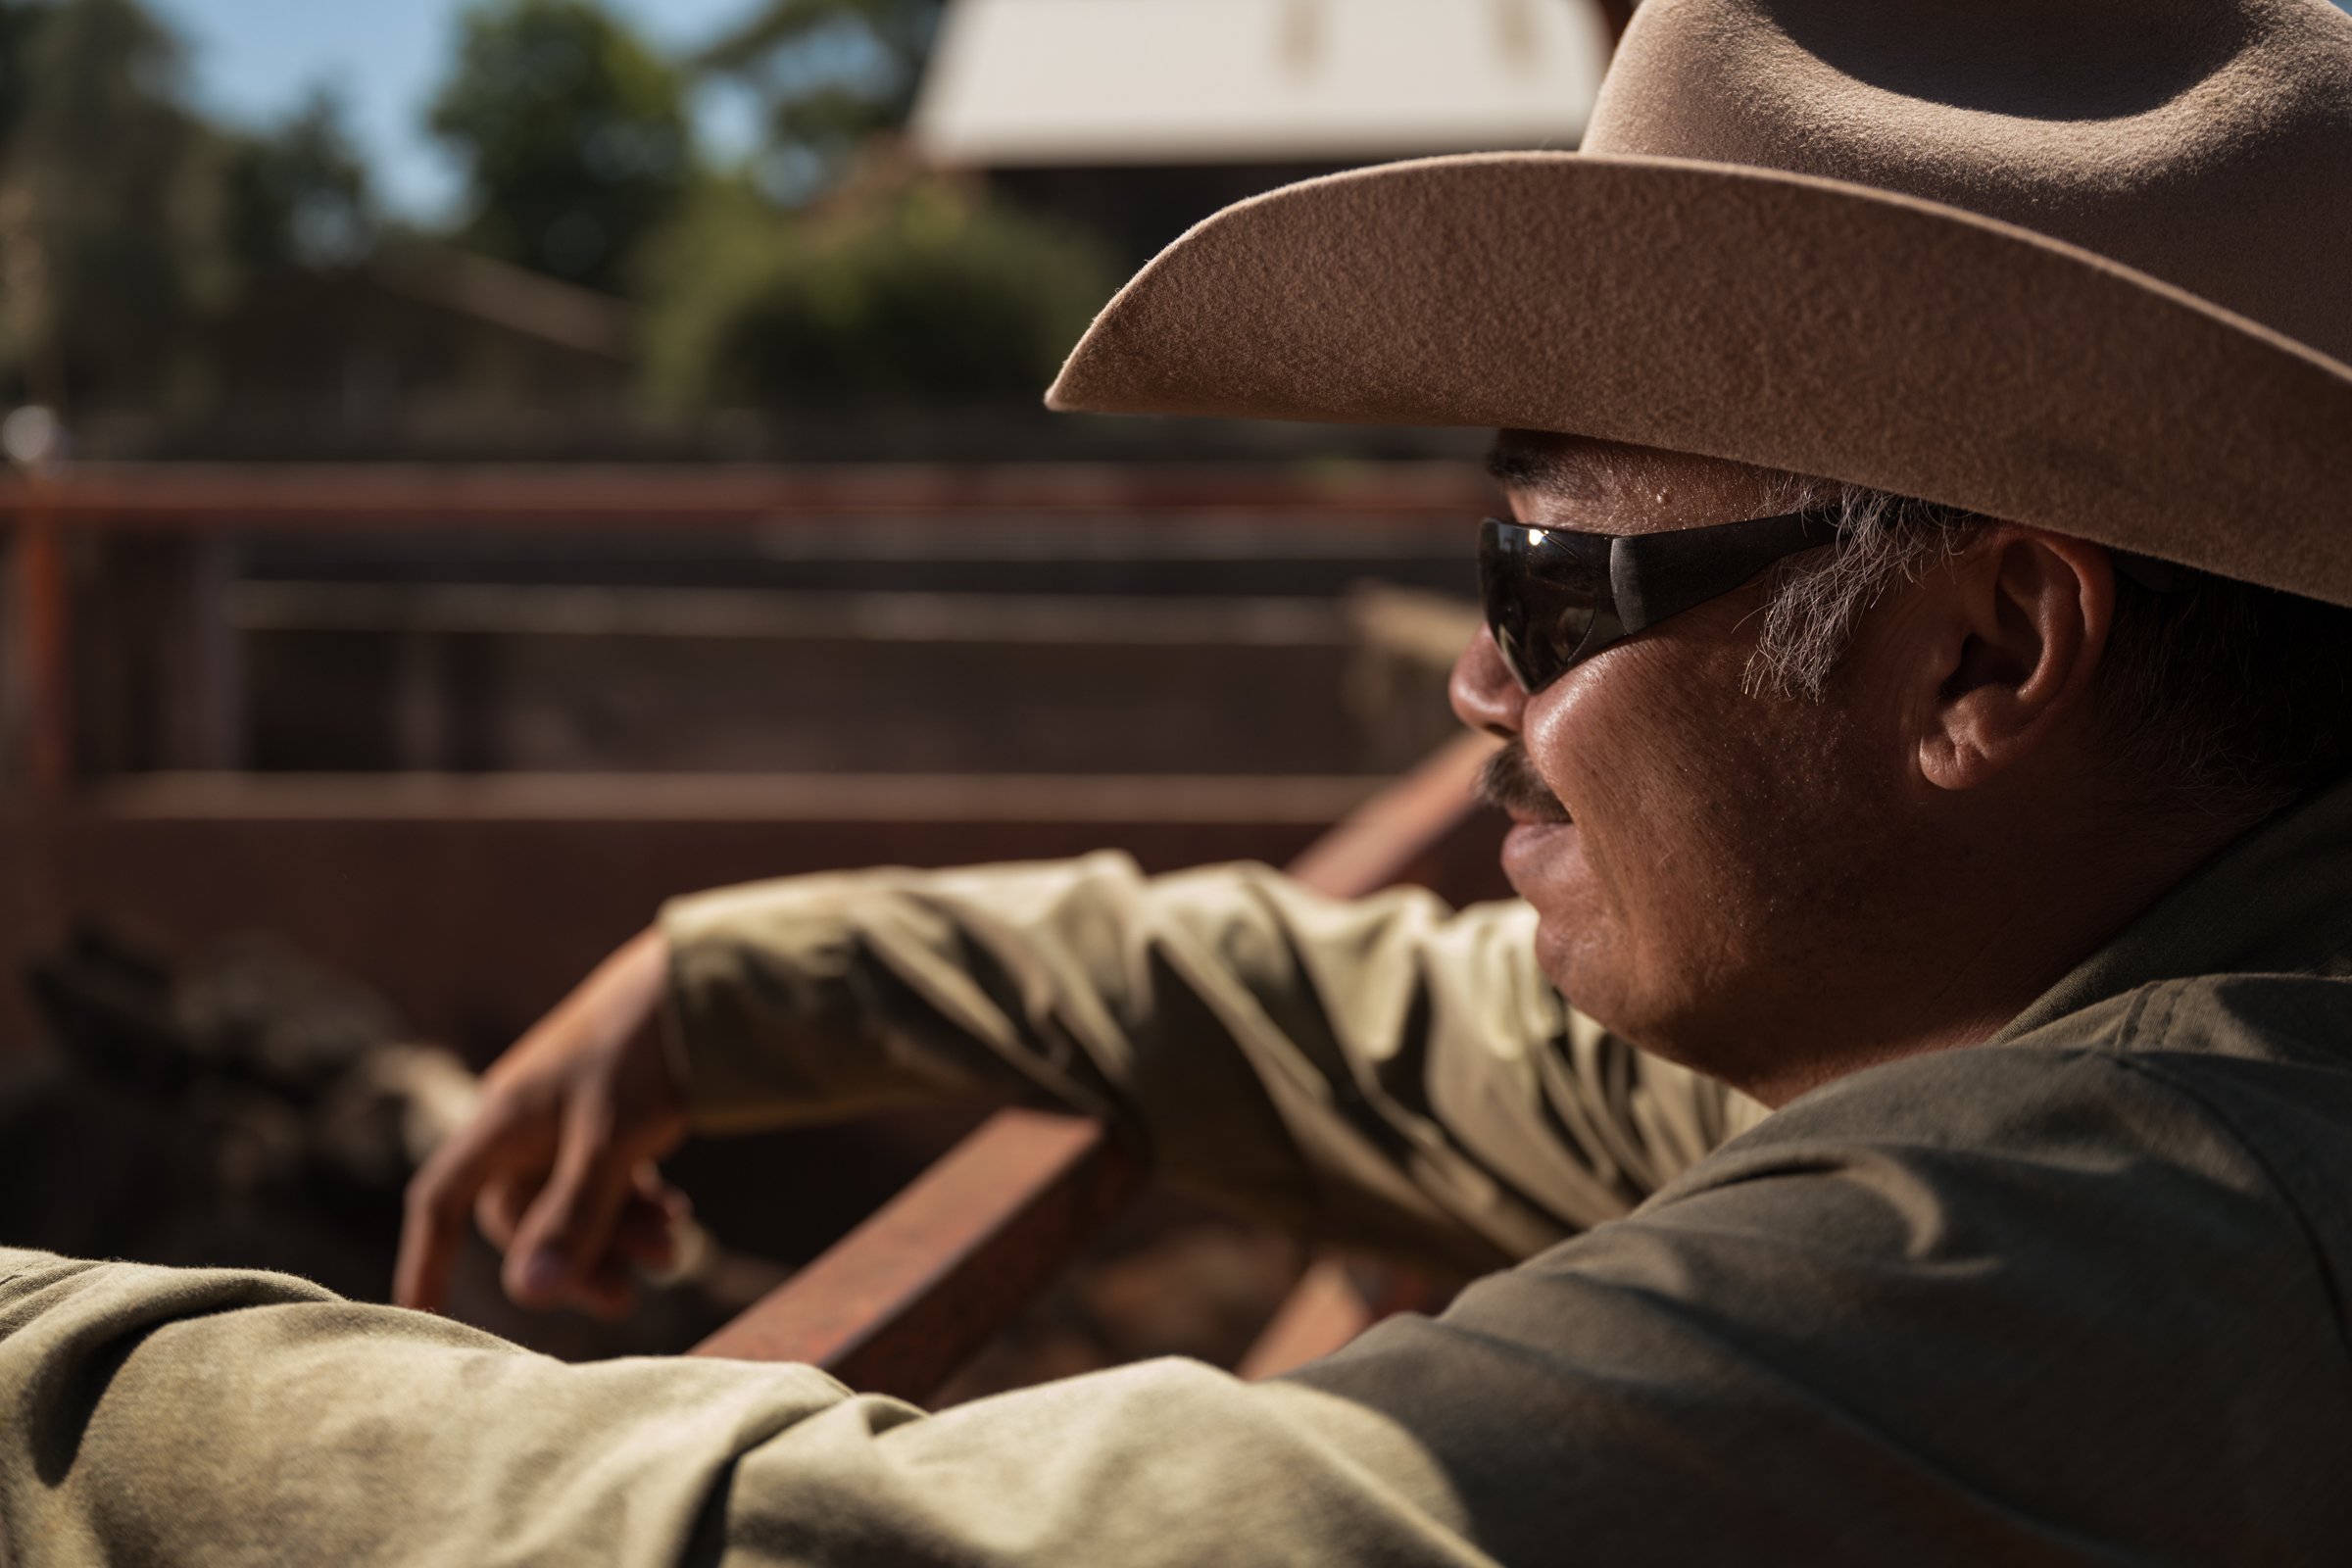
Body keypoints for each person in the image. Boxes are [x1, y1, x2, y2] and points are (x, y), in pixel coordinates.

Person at [9, 0, 2352, 1560]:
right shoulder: (2127, 994)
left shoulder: (2119, 1245)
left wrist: (46, 1372)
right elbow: (1415, 1035)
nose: (1475, 684)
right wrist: (765, 975)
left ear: (1983, 653)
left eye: (1545, 577)